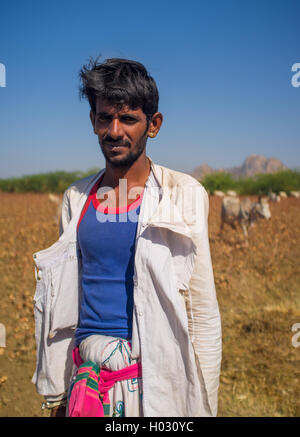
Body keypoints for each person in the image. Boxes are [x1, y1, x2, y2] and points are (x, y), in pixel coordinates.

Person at [32, 57, 222, 417]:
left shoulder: (183, 194)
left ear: (154, 125)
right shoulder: (76, 197)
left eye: (129, 119)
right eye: (105, 118)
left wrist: (203, 404)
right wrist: (58, 390)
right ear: (93, 121)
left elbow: (202, 309)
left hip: (149, 380)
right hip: (85, 377)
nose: (114, 131)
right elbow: (65, 298)